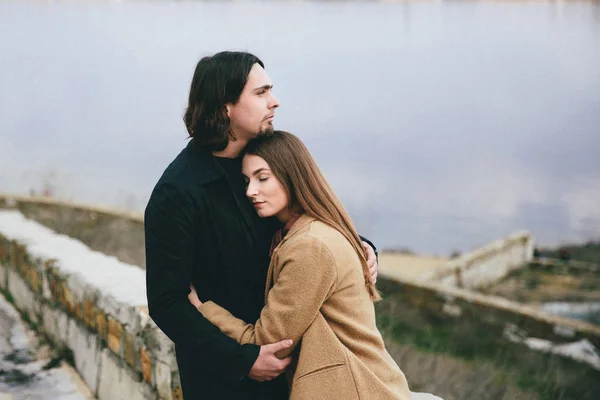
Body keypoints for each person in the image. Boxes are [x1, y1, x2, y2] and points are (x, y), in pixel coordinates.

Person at [144, 51, 379, 400]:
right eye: (261, 92)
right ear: (226, 107)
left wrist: (361, 247)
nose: (275, 102)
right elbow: (167, 301)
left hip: (299, 373)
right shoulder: (177, 192)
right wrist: (242, 360)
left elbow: (307, 217)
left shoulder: (264, 159)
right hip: (225, 383)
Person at [189, 130, 412, 400]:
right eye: (247, 180)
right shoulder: (307, 232)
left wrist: (203, 309)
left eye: (262, 178)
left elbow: (268, 343)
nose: (250, 191)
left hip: (359, 390)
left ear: (291, 176)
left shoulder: (308, 246)